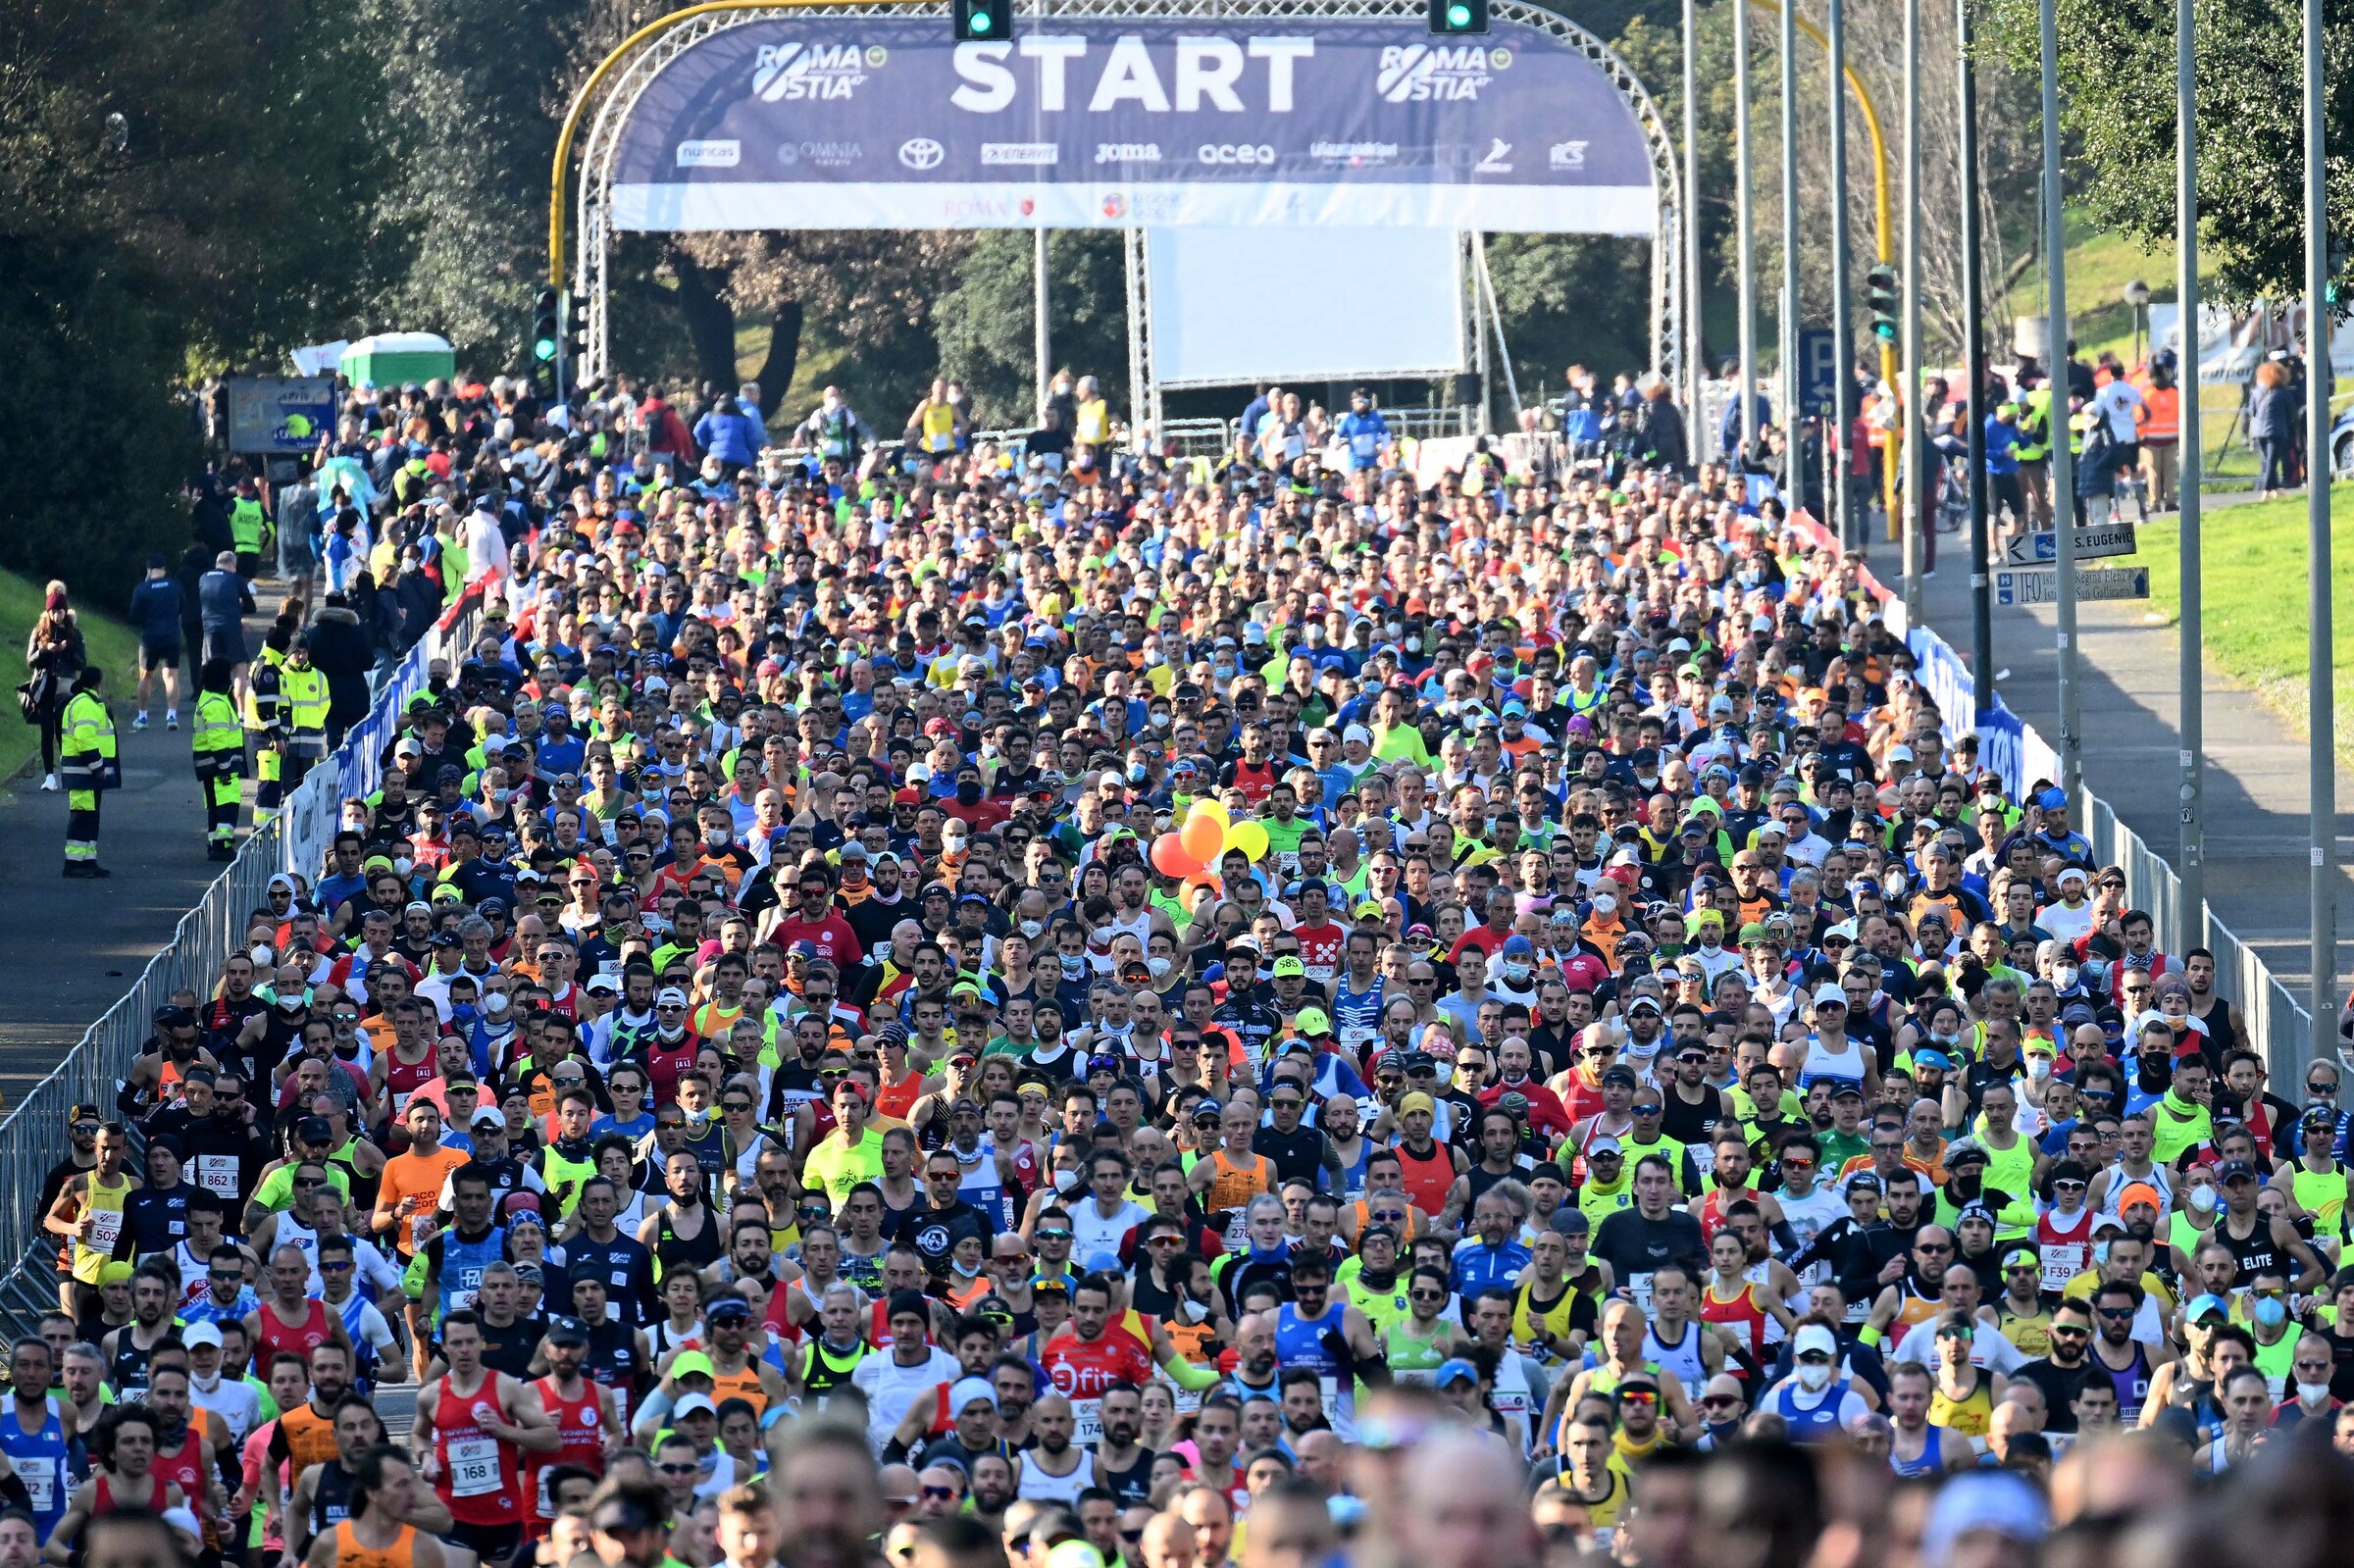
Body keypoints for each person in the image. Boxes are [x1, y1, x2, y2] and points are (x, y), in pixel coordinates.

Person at [58, 664, 118, 878]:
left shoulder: (89, 703)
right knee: (82, 817)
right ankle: (74, 863)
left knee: (90, 817)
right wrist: (98, 765)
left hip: (86, 773)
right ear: (96, 683)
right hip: (83, 772)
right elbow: (84, 739)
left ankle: (87, 860)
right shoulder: (86, 704)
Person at [25, 582, 85, 792]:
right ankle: (49, 775)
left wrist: (67, 651)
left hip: (66, 685)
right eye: (53, 611)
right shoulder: (39, 631)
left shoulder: (74, 633)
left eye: (60, 611)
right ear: (48, 611)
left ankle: (67, 768)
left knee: (63, 728)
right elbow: (30, 660)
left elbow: (81, 663)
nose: (57, 616)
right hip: (43, 685)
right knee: (46, 730)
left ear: (65, 611)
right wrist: (46, 650)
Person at [191, 660, 244, 860]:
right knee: (226, 805)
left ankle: (215, 843)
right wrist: (225, 765)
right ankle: (222, 846)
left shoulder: (210, 699)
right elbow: (217, 738)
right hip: (220, 766)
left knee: (215, 805)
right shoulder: (216, 703)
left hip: (212, 765)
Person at [127, 556, 183, 731]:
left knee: (146, 676)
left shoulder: (142, 589)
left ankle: (143, 717)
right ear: (164, 570)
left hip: (150, 637)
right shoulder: (175, 586)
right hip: (172, 635)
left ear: (148, 570)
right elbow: (182, 606)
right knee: (171, 676)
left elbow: (134, 617)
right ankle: (172, 716)